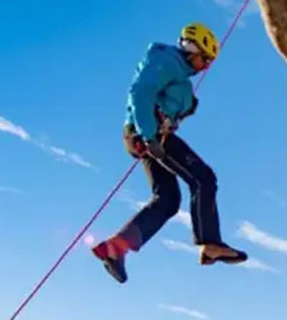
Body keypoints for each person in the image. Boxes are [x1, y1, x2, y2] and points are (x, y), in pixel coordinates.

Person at [92, 22, 247, 284]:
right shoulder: (166, 62)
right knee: (203, 178)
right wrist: (149, 135)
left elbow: (168, 98)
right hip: (149, 133)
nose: (205, 67)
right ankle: (210, 243)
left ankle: (115, 248)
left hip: (146, 133)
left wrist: (185, 106)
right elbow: (140, 91)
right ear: (191, 49)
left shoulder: (178, 74)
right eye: (204, 60)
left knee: (167, 199)